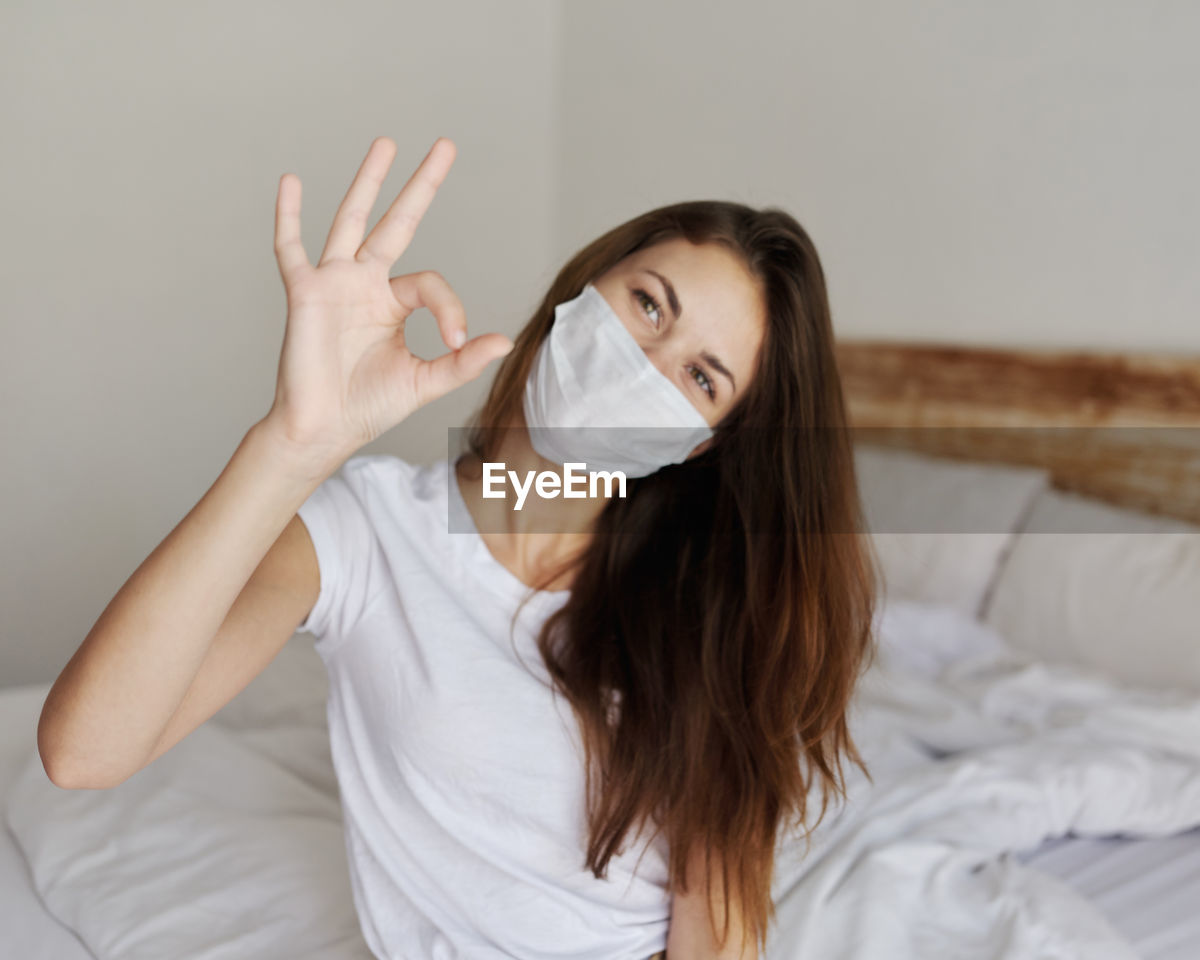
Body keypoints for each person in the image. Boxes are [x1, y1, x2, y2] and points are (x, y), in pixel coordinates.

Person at [37, 135, 879, 960]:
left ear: (697, 447)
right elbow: (84, 752)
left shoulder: (702, 612)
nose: (648, 366)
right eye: (650, 304)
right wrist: (289, 446)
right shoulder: (368, 533)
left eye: (702, 379)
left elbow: (716, 942)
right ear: (581, 290)